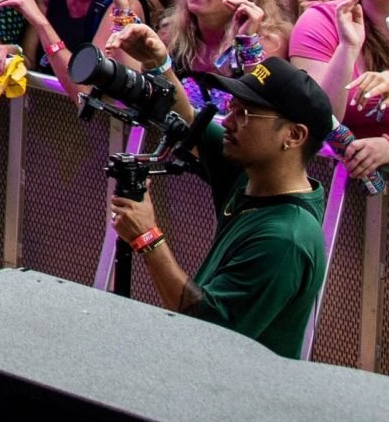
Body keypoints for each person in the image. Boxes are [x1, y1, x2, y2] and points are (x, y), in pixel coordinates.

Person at [102, 44, 334, 360]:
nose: (227, 121)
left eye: (244, 113)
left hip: (238, 396)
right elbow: (189, 125)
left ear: (293, 136)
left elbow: (210, 330)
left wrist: (148, 238)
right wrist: (159, 61)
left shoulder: (286, 239)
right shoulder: (256, 177)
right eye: (231, 106)